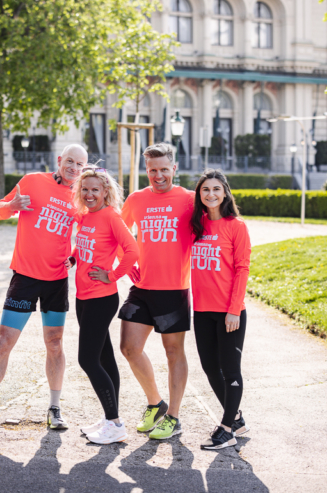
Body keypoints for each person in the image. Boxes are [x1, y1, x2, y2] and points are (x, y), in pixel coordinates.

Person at [0, 144, 88, 433]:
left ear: (83, 169)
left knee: (55, 344)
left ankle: (55, 408)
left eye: (79, 165)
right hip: (24, 278)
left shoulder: (81, 196)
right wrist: (12, 207)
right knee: (4, 342)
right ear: (59, 160)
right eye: (69, 161)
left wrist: (73, 255)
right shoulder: (33, 181)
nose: (73, 167)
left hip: (57, 281)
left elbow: (88, 232)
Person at [117, 142, 195, 440]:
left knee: (174, 352)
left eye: (164, 169)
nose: (158, 175)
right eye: (152, 170)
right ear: (145, 170)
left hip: (174, 289)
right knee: (129, 348)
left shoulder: (189, 199)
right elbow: (116, 232)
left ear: (174, 168)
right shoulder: (136, 199)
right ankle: (156, 403)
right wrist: (125, 264)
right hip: (142, 287)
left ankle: (174, 417)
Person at [66, 167, 138, 444]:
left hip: (101, 297)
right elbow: (84, 247)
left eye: (95, 189)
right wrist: (73, 259)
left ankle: (116, 424)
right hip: (83, 297)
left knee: (87, 359)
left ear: (106, 191)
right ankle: (110, 418)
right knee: (105, 358)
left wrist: (113, 275)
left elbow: (132, 250)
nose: (89, 194)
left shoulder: (110, 216)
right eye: (85, 189)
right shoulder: (85, 217)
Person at [190, 169, 251, 450]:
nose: (211, 194)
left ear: (225, 192)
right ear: (199, 195)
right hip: (202, 310)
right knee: (209, 367)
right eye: (205, 190)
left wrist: (234, 309)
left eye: (216, 189)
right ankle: (236, 417)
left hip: (229, 311)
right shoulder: (195, 225)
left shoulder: (236, 226)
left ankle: (227, 428)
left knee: (230, 370)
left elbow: (242, 269)